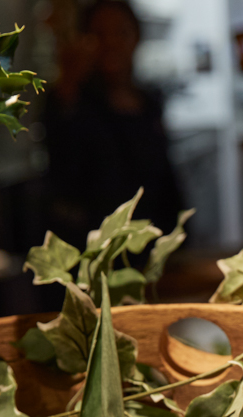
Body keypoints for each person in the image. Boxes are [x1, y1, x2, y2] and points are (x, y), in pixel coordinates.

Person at [43, 0, 186, 249]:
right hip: (95, 252)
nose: (110, 43)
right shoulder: (72, 102)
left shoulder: (149, 104)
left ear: (136, 37)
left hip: (153, 246)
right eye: (99, 34)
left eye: (121, 32)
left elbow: (165, 183)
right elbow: (63, 173)